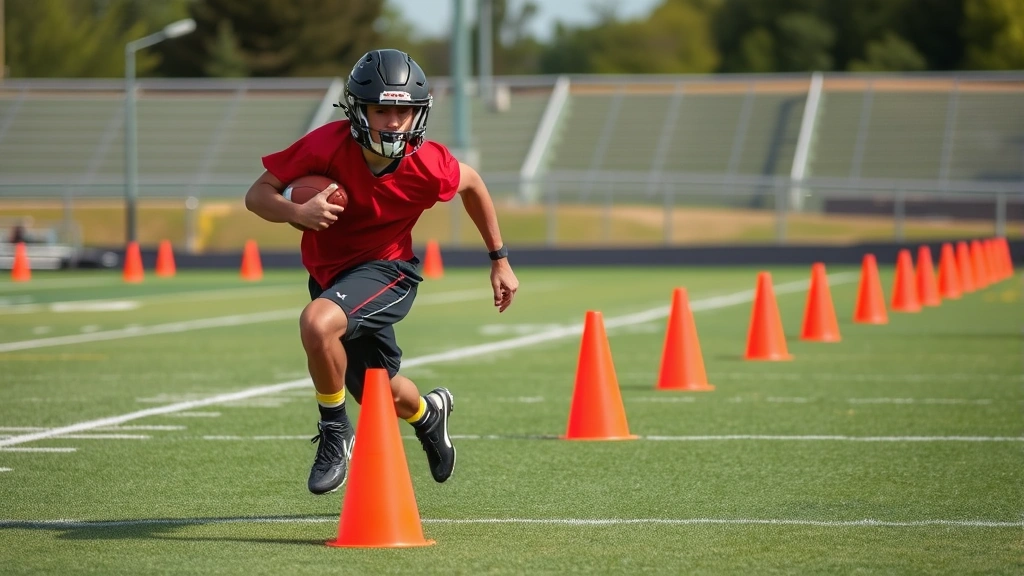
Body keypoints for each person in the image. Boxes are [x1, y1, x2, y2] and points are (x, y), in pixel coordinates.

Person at [244, 49, 519, 495]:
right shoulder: (324, 145)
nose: (393, 121)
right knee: (378, 392)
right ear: (359, 109)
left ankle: (335, 432)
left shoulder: (428, 162)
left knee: (316, 323)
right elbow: (257, 196)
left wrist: (499, 259)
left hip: (388, 271)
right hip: (332, 277)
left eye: (404, 110)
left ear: (418, 114)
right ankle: (430, 414)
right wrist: (298, 209)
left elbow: (473, 185)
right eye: (381, 109)